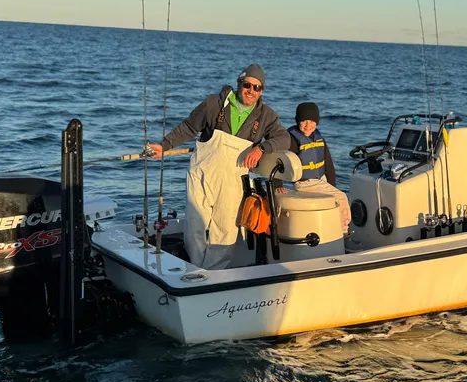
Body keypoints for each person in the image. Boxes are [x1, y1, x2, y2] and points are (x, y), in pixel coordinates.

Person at [147, 64, 290, 270]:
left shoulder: (266, 115)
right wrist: (163, 146)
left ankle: (213, 274)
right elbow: (188, 127)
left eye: (257, 88)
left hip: (233, 181)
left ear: (262, 91)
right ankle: (197, 269)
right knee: (194, 226)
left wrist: (261, 148)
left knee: (225, 230)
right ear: (239, 84)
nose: (251, 91)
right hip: (202, 175)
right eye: (248, 85)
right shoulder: (213, 104)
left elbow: (284, 138)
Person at [275, 102, 351, 234]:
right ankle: (343, 232)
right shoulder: (292, 140)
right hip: (306, 183)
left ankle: (331, 229)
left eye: (312, 121)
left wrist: (332, 186)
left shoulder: (318, 138)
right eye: (304, 121)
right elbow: (279, 160)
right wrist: (277, 184)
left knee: (335, 197)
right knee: (342, 198)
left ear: (317, 122)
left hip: (321, 180)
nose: (308, 125)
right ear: (298, 121)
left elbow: (328, 165)